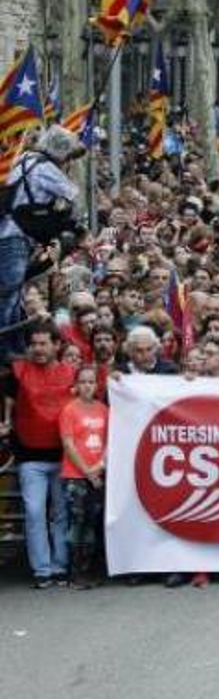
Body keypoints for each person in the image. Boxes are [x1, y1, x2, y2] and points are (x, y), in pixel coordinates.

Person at [1, 323, 77, 586]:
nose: (38, 348)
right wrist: (6, 422)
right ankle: (42, 569)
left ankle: (60, 565)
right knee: (34, 513)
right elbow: (9, 404)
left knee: (61, 513)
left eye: (43, 343)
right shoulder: (17, 372)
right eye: (33, 344)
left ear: (57, 345)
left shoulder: (73, 373)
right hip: (29, 456)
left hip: (64, 456)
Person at [0, 126, 85, 359]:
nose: (68, 161)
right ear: (60, 150)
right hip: (15, 236)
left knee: (13, 294)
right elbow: (73, 195)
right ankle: (5, 349)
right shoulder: (45, 167)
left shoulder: (25, 158)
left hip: (10, 232)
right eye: (68, 155)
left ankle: (15, 346)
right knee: (9, 295)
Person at [59, 363, 109, 588]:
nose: (87, 386)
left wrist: (99, 467)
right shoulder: (69, 410)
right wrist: (88, 471)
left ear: (97, 385)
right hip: (75, 476)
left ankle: (88, 570)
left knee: (91, 522)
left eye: (91, 381)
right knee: (76, 522)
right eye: (83, 382)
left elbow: (109, 442)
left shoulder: (103, 410)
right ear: (76, 385)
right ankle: (74, 572)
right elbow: (68, 445)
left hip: (98, 474)